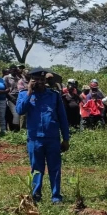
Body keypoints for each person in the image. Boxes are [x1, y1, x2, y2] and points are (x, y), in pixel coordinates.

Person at [16, 74, 71, 204]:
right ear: (30, 81)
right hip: (34, 139)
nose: (39, 82)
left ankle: (56, 196)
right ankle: (36, 196)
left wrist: (66, 138)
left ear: (45, 80)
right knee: (36, 168)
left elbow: (62, 118)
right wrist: (29, 92)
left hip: (52, 138)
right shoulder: (24, 94)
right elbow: (19, 110)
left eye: (42, 79)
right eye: (35, 80)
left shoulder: (54, 95)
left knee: (55, 168)